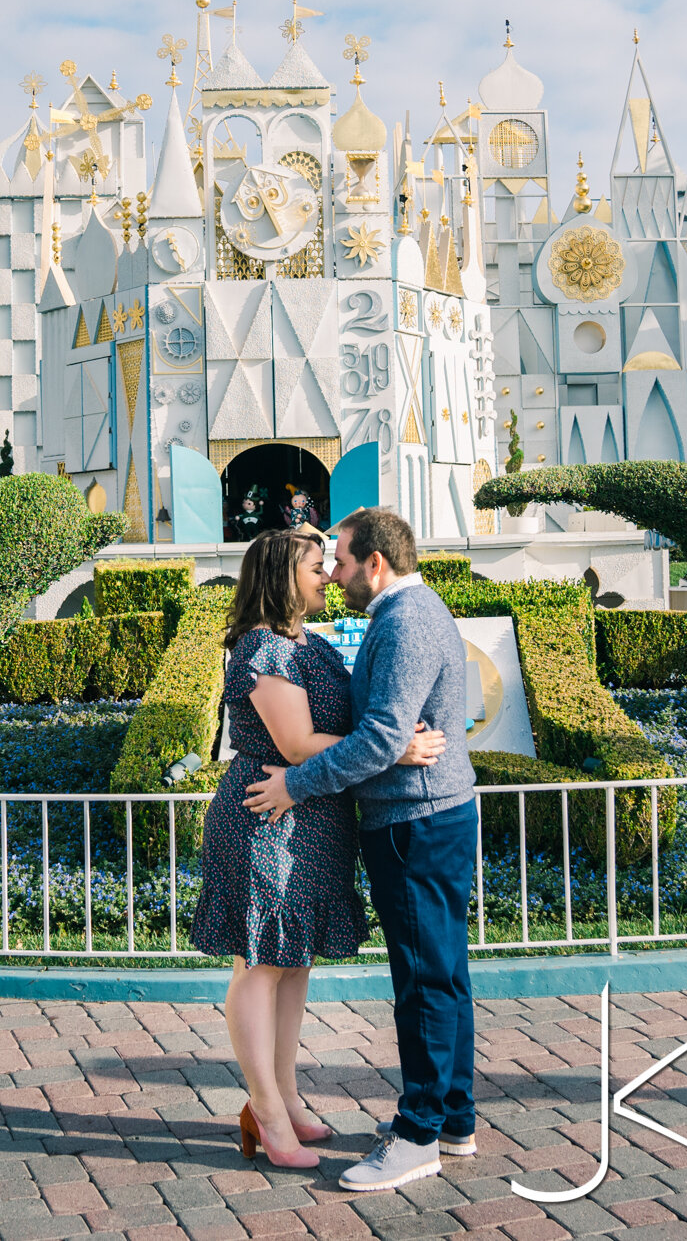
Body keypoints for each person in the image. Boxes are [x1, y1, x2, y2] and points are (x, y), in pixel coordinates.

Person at [191, 530, 450, 1171]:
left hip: (309, 823)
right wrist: (396, 747)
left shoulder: (308, 643)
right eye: (316, 567)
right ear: (283, 577)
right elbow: (299, 742)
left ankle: (283, 1096)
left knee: (292, 961)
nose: (328, 576)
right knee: (259, 964)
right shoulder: (262, 647)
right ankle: (266, 1109)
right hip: (267, 820)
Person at [245, 507, 479, 1193]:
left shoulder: (404, 621)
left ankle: (419, 1134)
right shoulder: (405, 615)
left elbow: (380, 738)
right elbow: (388, 736)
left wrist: (295, 782)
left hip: (417, 820)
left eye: (341, 559)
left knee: (424, 980)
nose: (334, 571)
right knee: (443, 973)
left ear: (376, 561)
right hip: (428, 814)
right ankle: (453, 1118)